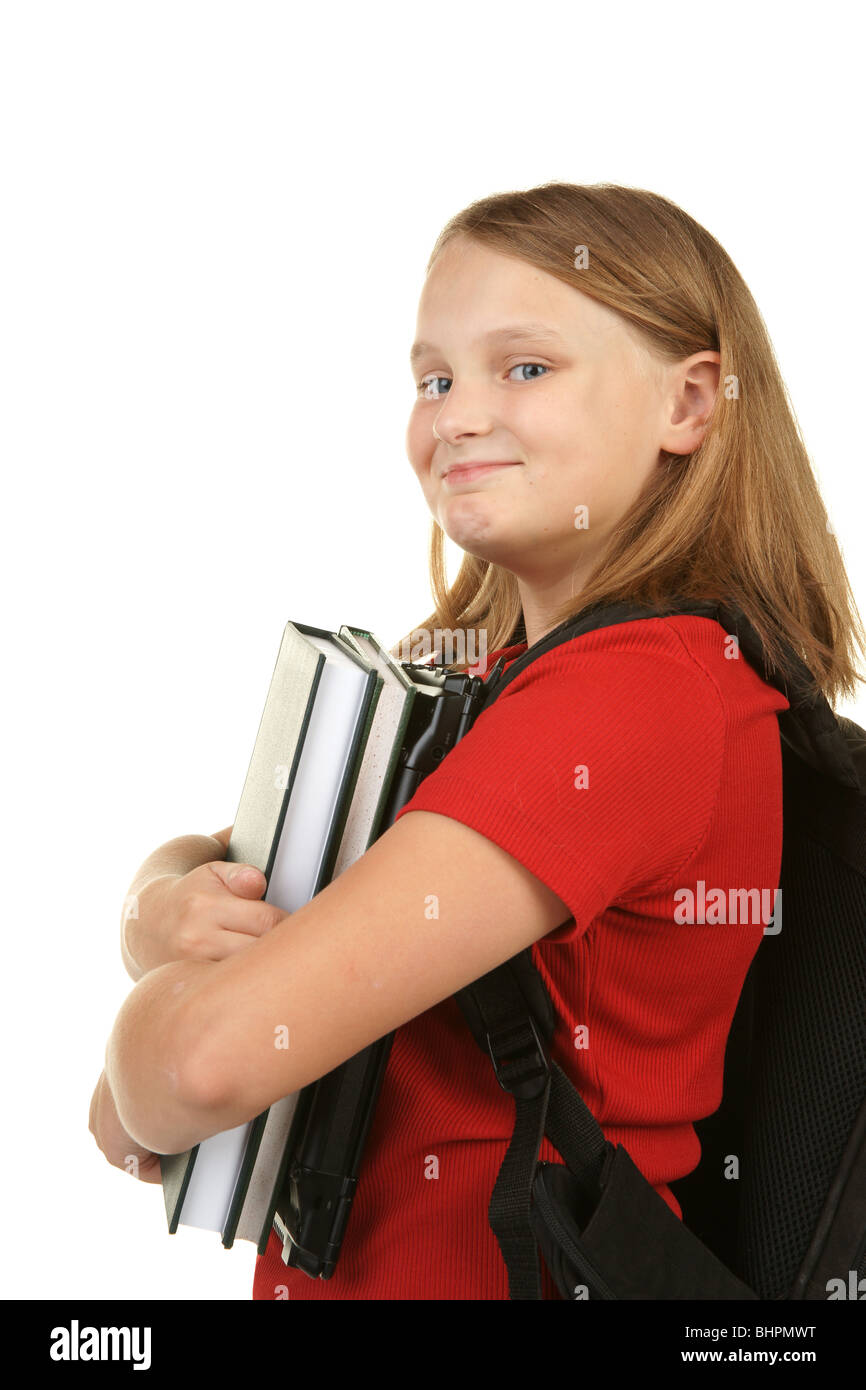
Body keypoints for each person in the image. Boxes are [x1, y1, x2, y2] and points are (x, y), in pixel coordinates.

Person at [89, 181, 866, 1300]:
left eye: (526, 368)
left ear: (687, 405)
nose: (453, 415)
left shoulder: (631, 699)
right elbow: (152, 1074)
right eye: (433, 377)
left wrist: (153, 1006)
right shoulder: (490, 684)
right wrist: (157, 903)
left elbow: (195, 1071)